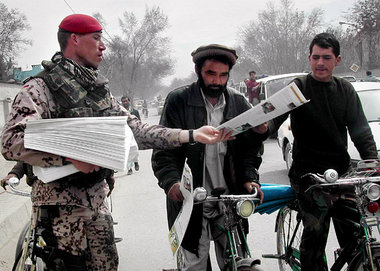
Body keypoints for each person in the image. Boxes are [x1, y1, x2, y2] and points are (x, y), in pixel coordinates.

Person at [1, 14, 230, 271]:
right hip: (59, 214)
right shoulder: (39, 89)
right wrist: (70, 157)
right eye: (96, 38)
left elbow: (135, 129)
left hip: (98, 206)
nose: (103, 46)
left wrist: (189, 135)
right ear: (74, 40)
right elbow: (11, 141)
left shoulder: (97, 90)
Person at [151, 44, 266, 270]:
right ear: (198, 72)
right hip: (191, 202)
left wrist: (249, 178)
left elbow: (249, 151)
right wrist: (171, 183)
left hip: (228, 200)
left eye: (223, 75)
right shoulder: (178, 100)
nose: (217, 81)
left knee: (236, 262)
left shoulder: (238, 102)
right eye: (211, 74)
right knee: (195, 264)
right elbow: (164, 149)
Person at [268, 32, 378, 270]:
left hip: (340, 172)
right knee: (316, 233)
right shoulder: (298, 87)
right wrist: (260, 127)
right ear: (309, 58)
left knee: (356, 230)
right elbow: (272, 120)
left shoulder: (345, 89)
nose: (320, 63)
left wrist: (372, 162)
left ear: (337, 60)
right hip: (307, 174)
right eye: (316, 57)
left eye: (326, 57)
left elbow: (360, 130)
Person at [121, 95, 140, 174]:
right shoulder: (120, 112)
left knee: (134, 149)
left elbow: (139, 122)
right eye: (123, 101)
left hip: (134, 133)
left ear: (129, 101)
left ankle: (136, 162)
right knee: (127, 151)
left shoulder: (135, 111)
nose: (125, 103)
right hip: (125, 134)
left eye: (126, 101)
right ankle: (129, 169)